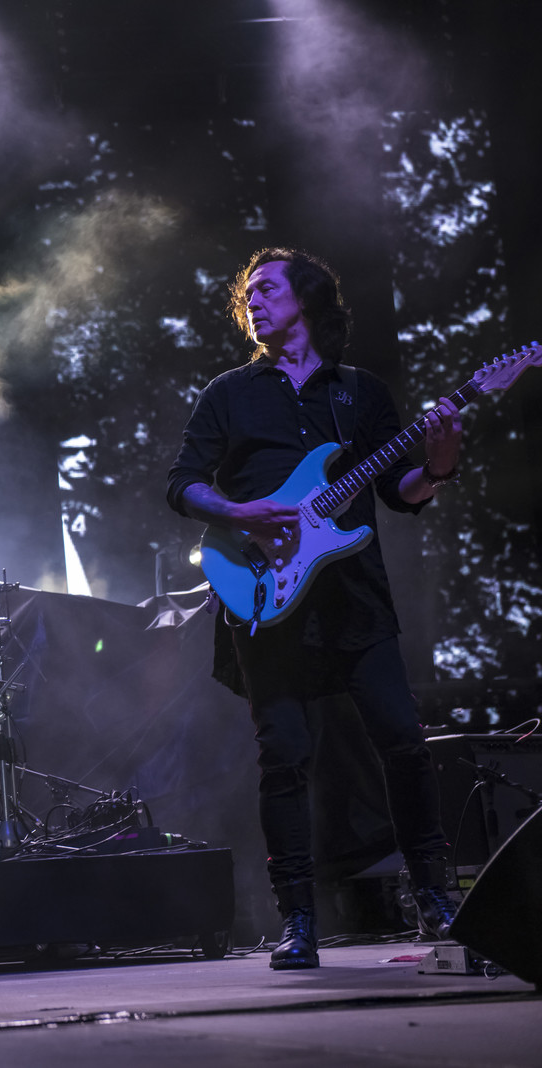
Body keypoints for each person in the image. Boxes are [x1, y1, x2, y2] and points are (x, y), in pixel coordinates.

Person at [166, 248, 461, 970]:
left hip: (355, 601)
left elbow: (400, 491)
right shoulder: (230, 392)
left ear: (307, 297)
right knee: (285, 758)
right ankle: (298, 920)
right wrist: (238, 512)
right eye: (248, 295)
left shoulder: (360, 393)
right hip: (265, 597)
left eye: (267, 289)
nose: (253, 302)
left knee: (404, 742)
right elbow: (183, 484)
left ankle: (436, 895)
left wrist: (438, 467)